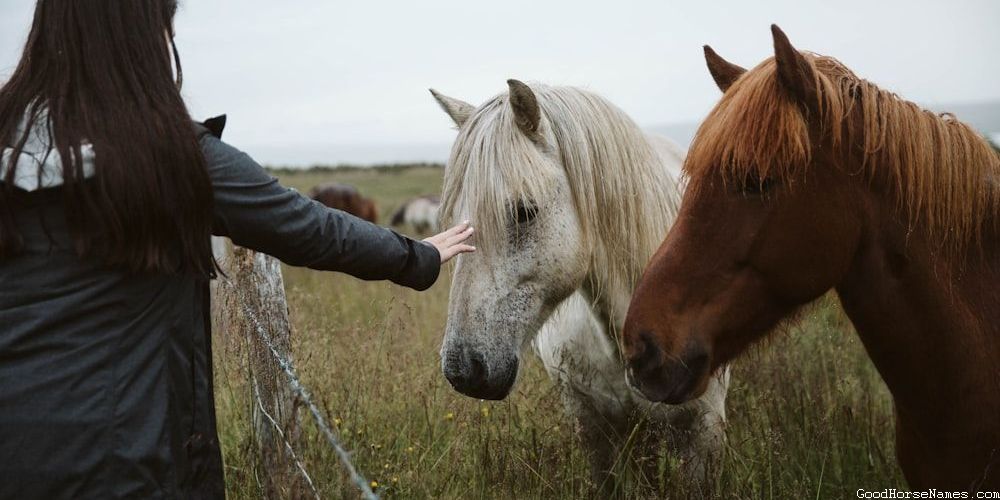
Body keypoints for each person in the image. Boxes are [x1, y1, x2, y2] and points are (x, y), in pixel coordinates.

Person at [0, 1, 474, 498]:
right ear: (141, 40)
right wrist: (417, 256)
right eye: (165, 27)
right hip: (119, 466)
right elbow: (308, 227)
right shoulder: (174, 157)